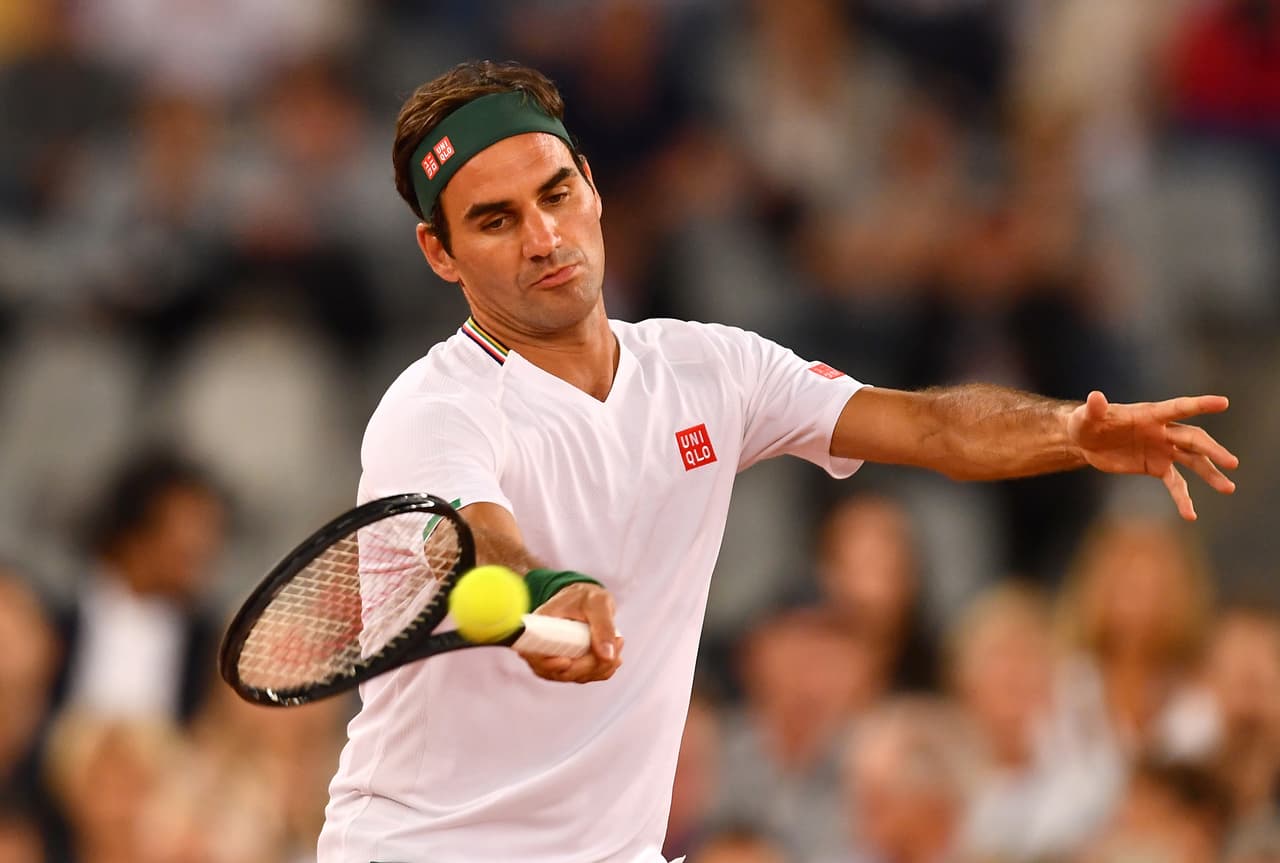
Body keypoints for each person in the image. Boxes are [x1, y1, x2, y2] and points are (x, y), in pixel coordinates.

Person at [317, 59, 1239, 863]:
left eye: (555, 194)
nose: (543, 238)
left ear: (590, 185)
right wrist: (547, 591)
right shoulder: (431, 411)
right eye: (495, 220)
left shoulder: (709, 368)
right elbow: (480, 541)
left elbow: (932, 428)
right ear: (440, 252)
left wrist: (1071, 430)